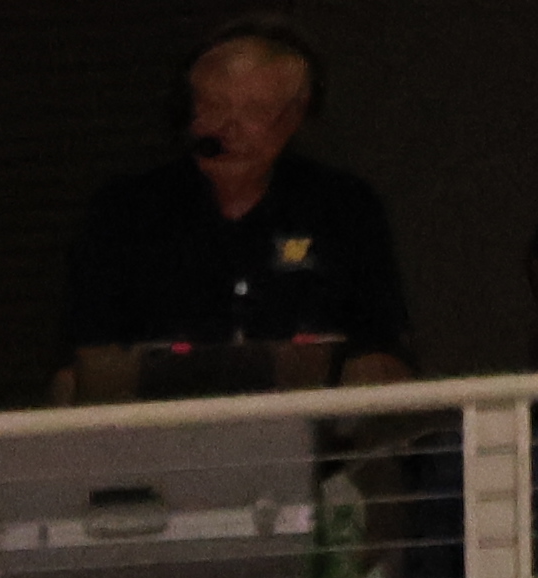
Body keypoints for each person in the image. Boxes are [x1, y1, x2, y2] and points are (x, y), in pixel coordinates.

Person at [55, 18, 411, 388]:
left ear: (295, 116)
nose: (228, 128)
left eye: (254, 111)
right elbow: (80, 361)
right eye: (213, 106)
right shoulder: (124, 211)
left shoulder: (343, 207)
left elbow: (383, 347)